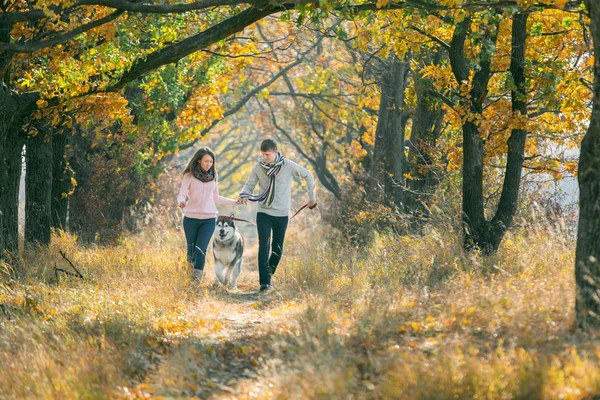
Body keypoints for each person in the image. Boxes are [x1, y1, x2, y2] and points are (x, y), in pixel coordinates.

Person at [239, 139, 316, 292]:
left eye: (267, 154)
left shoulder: (288, 166)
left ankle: (269, 272)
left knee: (278, 247)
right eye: (263, 154)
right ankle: (265, 283)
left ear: (275, 152)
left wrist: (311, 197)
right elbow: (249, 184)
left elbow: (307, 175)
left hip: (281, 213)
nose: (265, 158)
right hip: (263, 212)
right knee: (264, 245)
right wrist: (244, 195)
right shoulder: (258, 167)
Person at [177, 147, 244, 283]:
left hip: (209, 219)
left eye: (211, 162)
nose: (209, 164)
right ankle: (189, 272)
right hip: (191, 218)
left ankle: (196, 280)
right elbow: (182, 194)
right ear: (199, 161)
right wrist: (181, 201)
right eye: (206, 161)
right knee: (191, 250)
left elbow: (216, 197)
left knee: (201, 248)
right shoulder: (189, 176)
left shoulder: (213, 176)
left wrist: (234, 202)